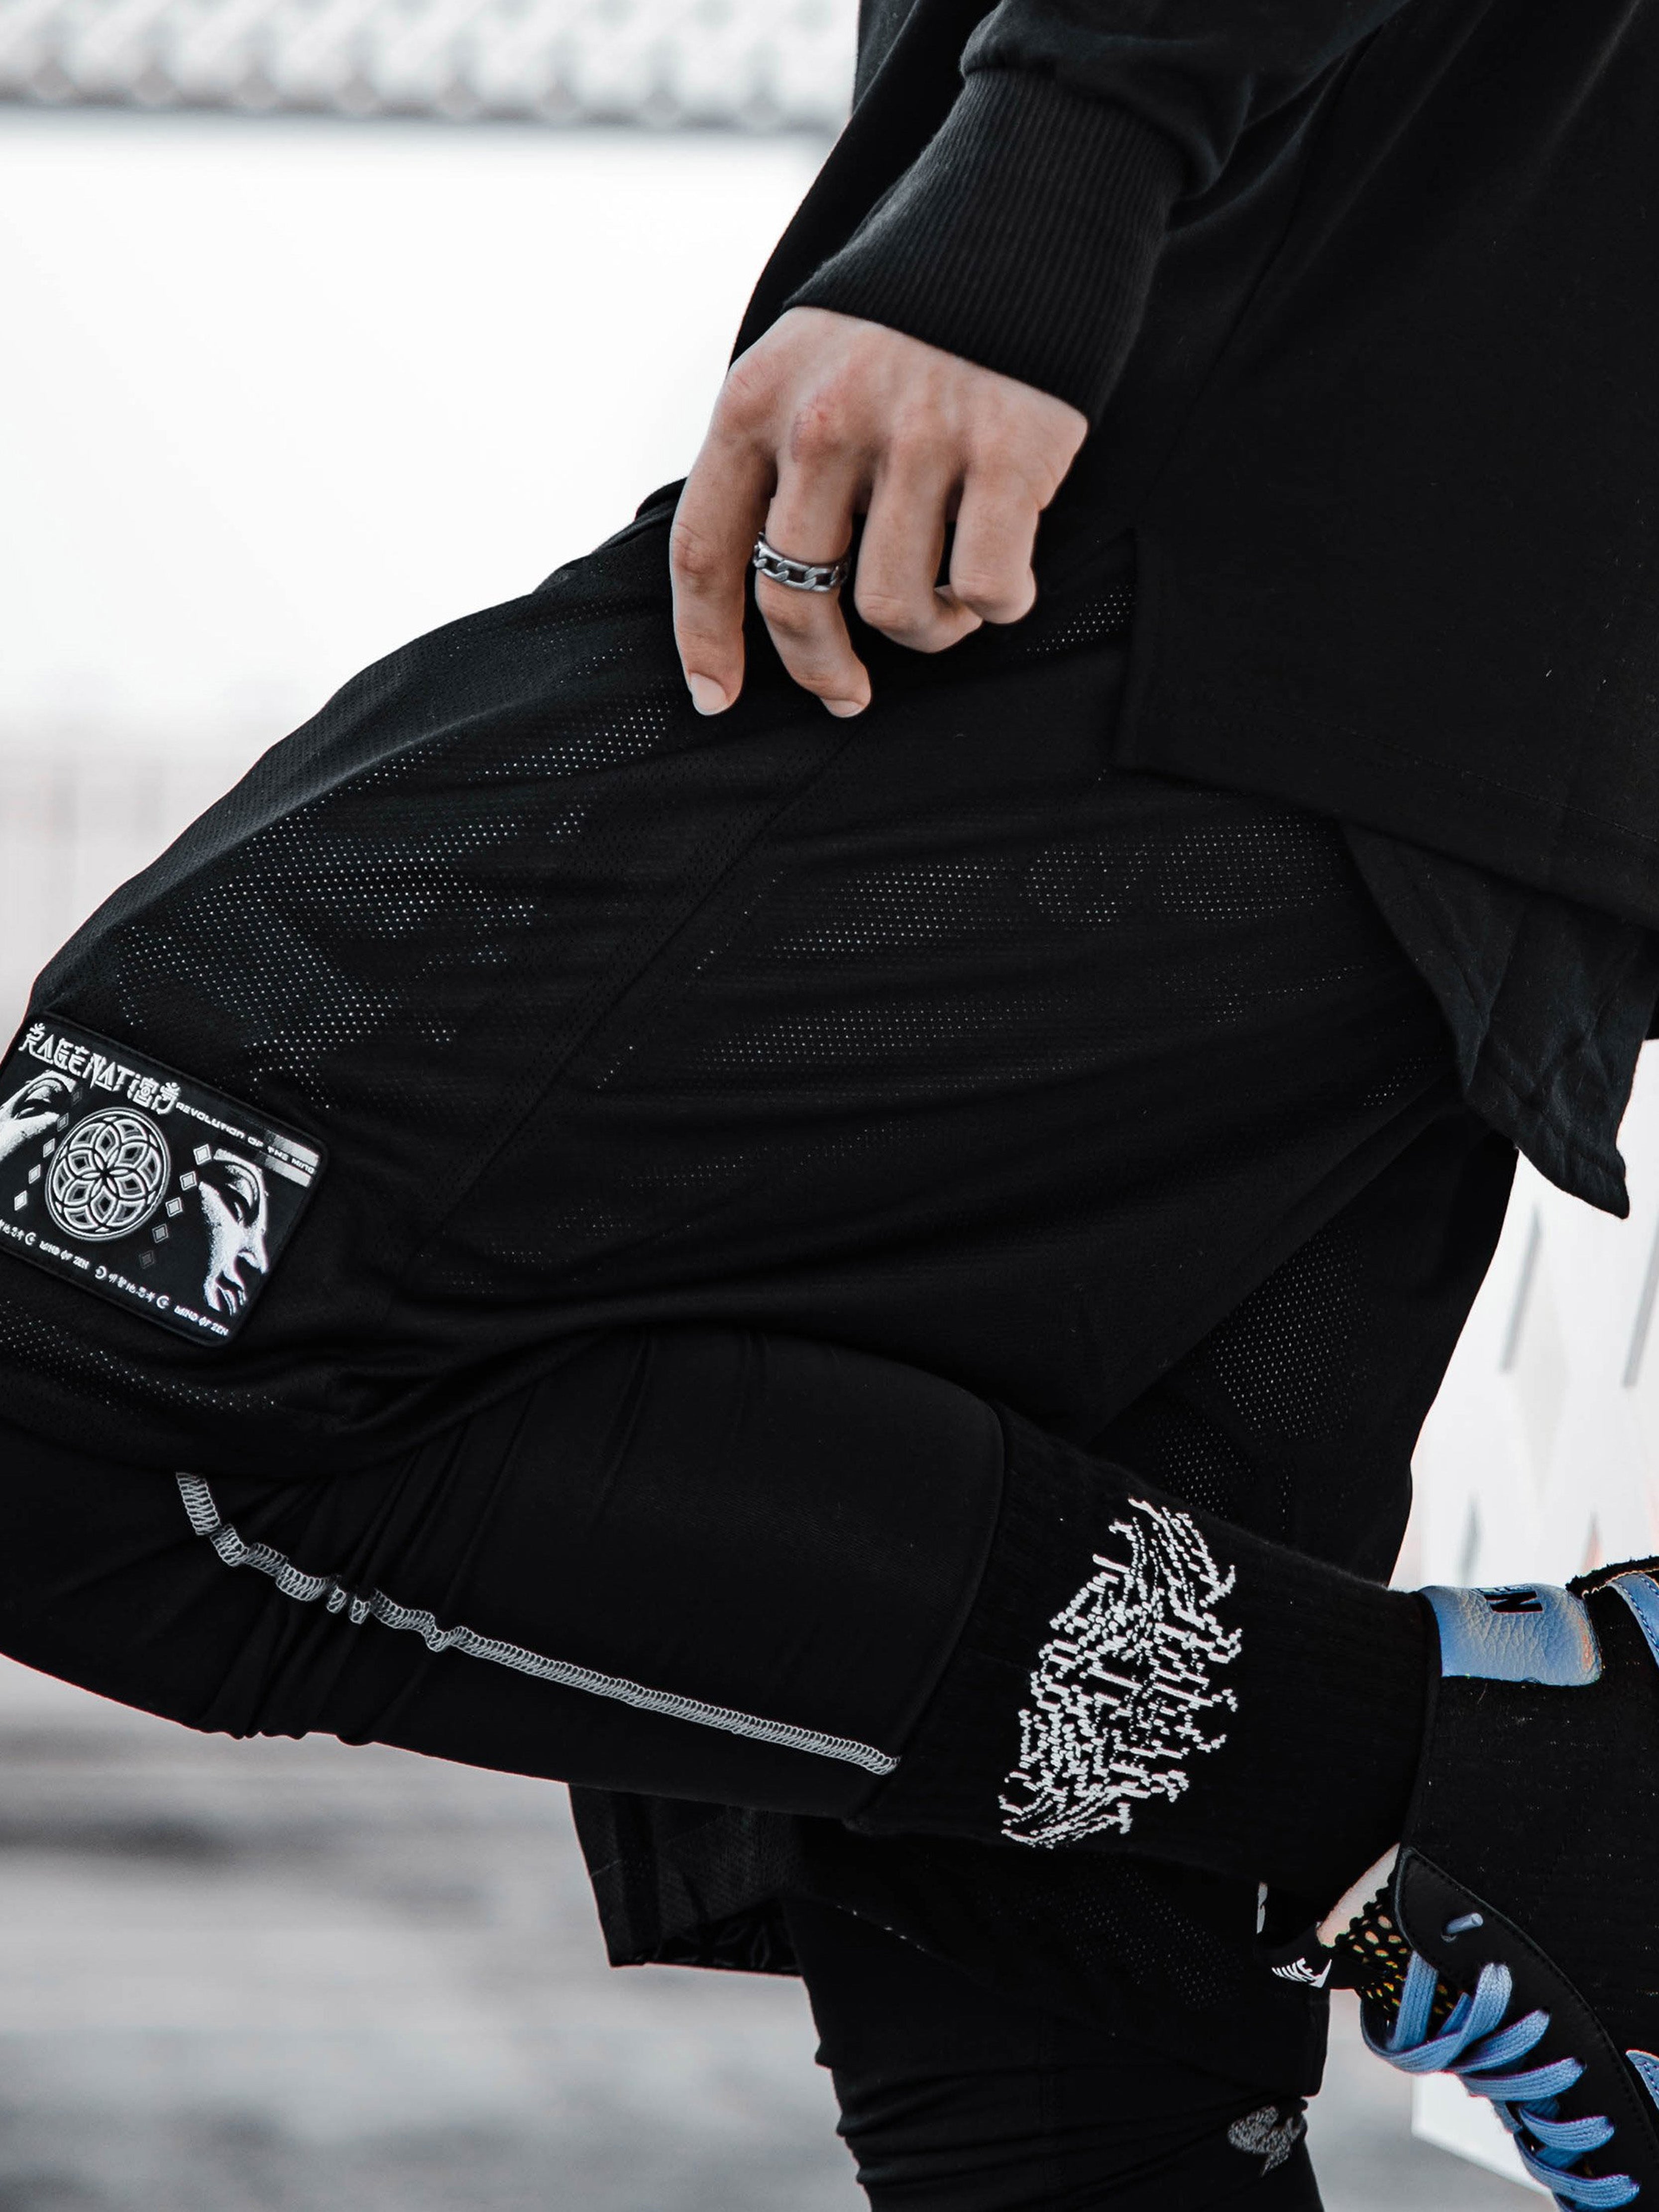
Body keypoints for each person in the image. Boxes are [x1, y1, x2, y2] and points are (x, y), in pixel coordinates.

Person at [2, 0, 1659, 2202]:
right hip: (1360, 596)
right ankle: (1493, 1773)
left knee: (81, 1345)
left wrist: (1070, 149)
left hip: (1211, 505)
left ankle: (1547, 1776)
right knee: (1045, 2051)